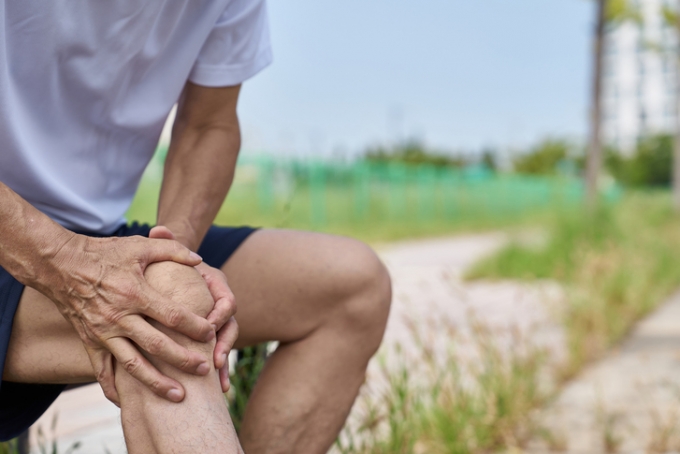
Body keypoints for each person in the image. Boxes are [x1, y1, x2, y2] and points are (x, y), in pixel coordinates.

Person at [0, 1, 392, 453]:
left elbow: (210, 124)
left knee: (351, 284)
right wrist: (65, 263)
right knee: (168, 308)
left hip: (95, 232)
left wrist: (172, 258)